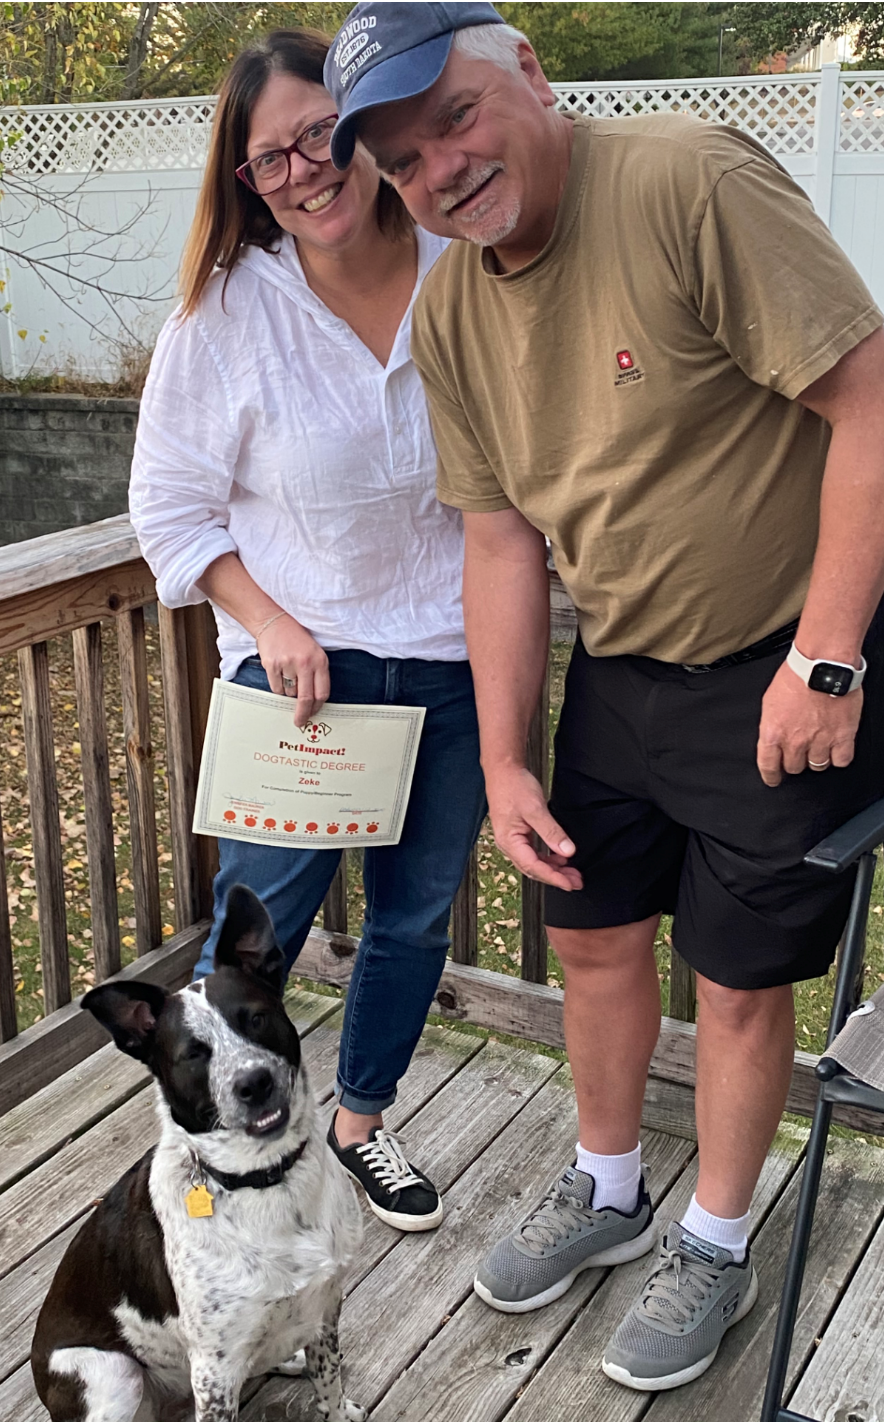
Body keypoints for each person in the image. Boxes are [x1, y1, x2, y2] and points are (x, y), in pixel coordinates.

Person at [323, 0, 884, 1391]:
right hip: (619, 674)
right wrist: (507, 758)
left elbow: (869, 399)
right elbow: (503, 538)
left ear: (528, 73)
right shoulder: (450, 301)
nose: (436, 170)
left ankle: (713, 1234)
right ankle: (611, 1185)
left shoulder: (688, 177)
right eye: (398, 158)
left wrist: (826, 653)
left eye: (449, 117)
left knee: (740, 981)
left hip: (776, 661)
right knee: (589, 942)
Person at [129, 28, 486, 1234]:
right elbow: (168, 508)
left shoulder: (466, 267)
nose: (302, 169)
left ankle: (359, 1124)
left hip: (452, 664)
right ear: (244, 181)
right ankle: (209, 1148)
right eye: (265, 158)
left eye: (316, 134)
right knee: (254, 935)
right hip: (297, 690)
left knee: (412, 918)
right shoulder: (224, 316)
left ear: (365, 123)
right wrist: (269, 619)